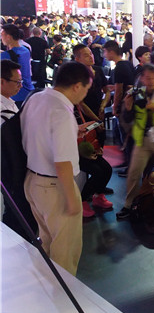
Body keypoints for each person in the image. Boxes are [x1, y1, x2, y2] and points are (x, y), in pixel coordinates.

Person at [21, 61, 93, 275]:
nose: (85, 94)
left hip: (33, 181)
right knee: (64, 255)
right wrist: (73, 200)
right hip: (55, 187)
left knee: (46, 243)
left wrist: (72, 131)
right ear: (77, 86)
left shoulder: (36, 98)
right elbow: (62, 164)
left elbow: (37, 132)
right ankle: (62, 295)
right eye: (86, 88)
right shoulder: (62, 112)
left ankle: (45, 289)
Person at [117, 64, 154, 220]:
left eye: (153, 77)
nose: (150, 81)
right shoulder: (137, 94)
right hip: (142, 140)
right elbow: (128, 119)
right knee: (133, 173)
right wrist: (128, 108)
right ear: (142, 78)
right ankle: (129, 205)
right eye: (147, 77)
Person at [1, 24, 34, 104]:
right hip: (28, 90)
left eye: (2, 35)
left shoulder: (5, 56)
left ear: (8, 37)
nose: (1, 38)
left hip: (15, 94)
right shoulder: (26, 50)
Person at [1, 59, 22, 124]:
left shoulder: (8, 101)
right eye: (17, 82)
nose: (21, 86)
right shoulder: (2, 109)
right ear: (2, 82)